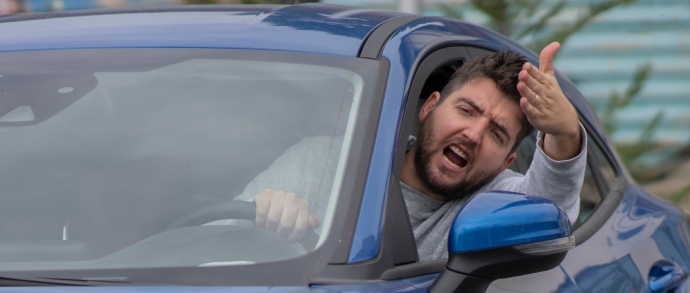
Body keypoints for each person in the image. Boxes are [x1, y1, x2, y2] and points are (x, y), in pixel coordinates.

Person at [239, 43, 586, 262]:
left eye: (497, 133)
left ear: (506, 164)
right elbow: (215, 238)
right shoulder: (326, 160)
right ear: (429, 108)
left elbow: (551, 208)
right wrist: (266, 219)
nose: (474, 134)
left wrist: (565, 130)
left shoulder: (493, 199)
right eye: (466, 110)